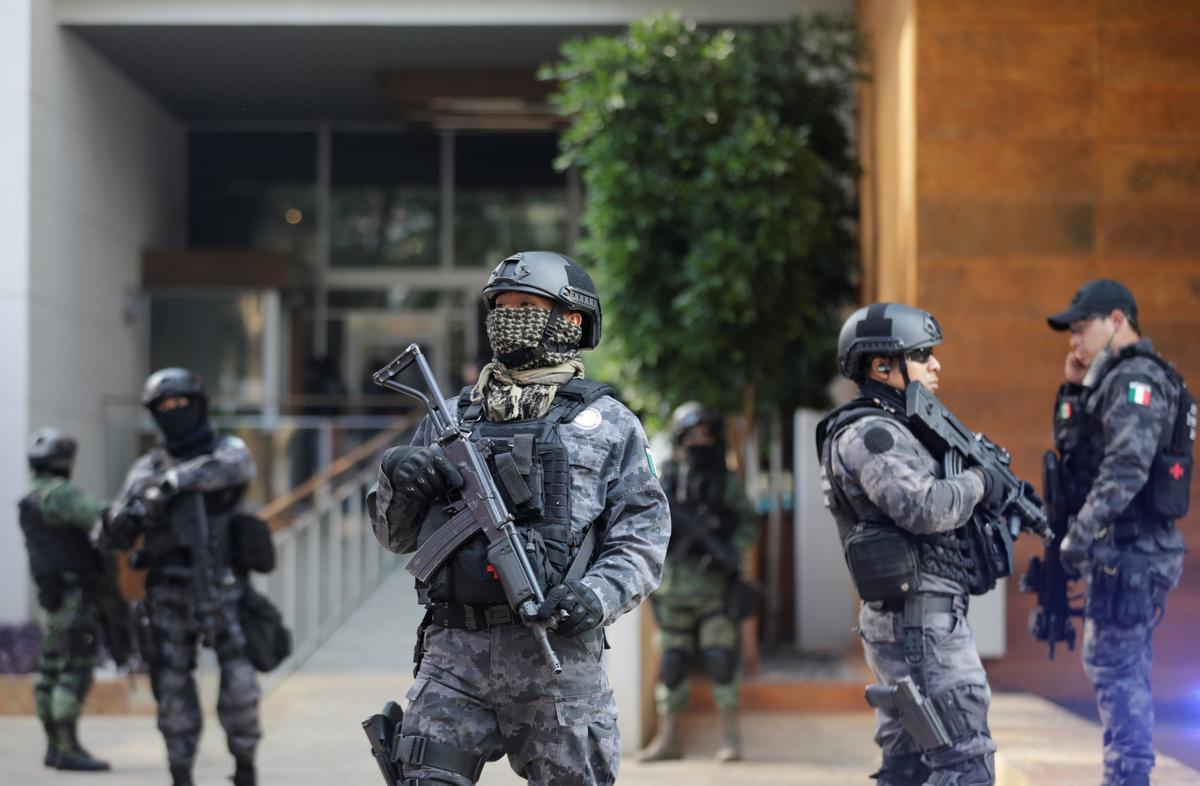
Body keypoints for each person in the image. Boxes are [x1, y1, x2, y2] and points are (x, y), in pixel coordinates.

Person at [369, 250, 670, 785]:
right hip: (454, 658)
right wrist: (398, 478)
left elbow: (642, 539)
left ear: (571, 319)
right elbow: (394, 537)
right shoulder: (450, 416)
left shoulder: (609, 423)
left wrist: (596, 595)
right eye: (501, 306)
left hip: (558, 662)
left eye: (526, 306)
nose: (508, 317)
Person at [817, 303, 1004, 786]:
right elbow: (924, 507)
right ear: (882, 366)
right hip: (920, 627)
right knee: (966, 766)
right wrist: (981, 481)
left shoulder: (898, 428)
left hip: (920, 621)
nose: (935, 365)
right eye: (921, 355)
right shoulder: (872, 433)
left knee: (909, 771)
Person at [1047, 280, 1191, 786]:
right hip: (1122, 551)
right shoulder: (1110, 379)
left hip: (1132, 551)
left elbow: (1125, 469)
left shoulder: (1136, 380)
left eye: (1081, 328)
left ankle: (1128, 776)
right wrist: (1074, 389)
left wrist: (1080, 535)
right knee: (1115, 665)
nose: (1074, 340)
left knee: (1116, 667)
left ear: (1116, 320)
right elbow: (1076, 455)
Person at [106, 368, 261, 786]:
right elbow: (119, 518)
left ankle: (244, 766)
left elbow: (236, 467)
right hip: (168, 593)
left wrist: (173, 483)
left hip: (223, 587)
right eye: (165, 407)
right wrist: (122, 519)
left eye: (182, 404)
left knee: (240, 686)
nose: (174, 412)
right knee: (172, 688)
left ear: (200, 406)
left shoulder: (226, 450)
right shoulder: (147, 466)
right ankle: (180, 772)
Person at [638, 402, 760, 763]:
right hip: (673, 589)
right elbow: (647, 524)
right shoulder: (667, 477)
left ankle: (731, 740)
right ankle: (669, 740)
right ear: (680, 438)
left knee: (720, 660)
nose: (699, 442)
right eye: (692, 435)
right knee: (672, 665)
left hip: (714, 591)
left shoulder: (727, 482)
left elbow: (748, 523)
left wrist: (727, 550)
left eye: (706, 435)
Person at [18, 428, 111, 771]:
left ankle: (55, 747)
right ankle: (67, 748)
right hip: (74, 598)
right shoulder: (60, 494)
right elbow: (101, 514)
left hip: (52, 598)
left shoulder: (32, 496)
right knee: (73, 670)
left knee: (51, 671)